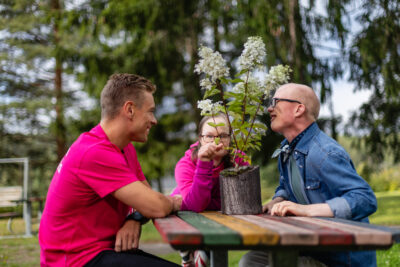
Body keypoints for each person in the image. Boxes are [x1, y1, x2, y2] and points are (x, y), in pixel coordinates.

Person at [39, 73, 182, 267]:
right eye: (150, 111)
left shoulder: (123, 147)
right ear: (129, 109)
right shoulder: (94, 152)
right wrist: (173, 201)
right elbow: (157, 206)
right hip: (76, 260)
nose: (154, 120)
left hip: (101, 253)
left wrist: (135, 218)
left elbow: (147, 200)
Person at [239, 83, 378, 267]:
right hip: (309, 247)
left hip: (340, 259)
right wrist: (277, 201)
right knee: (250, 260)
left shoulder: (324, 153)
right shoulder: (287, 149)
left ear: (299, 109)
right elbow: (287, 187)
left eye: (277, 101)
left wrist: (305, 210)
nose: (270, 108)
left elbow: (365, 199)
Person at [170, 113, 247, 267]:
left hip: (215, 214)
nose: (216, 141)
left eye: (223, 136)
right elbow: (195, 206)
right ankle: (187, 254)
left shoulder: (238, 161)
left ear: (230, 139)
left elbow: (241, 200)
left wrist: (213, 203)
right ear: (200, 139)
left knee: (211, 247)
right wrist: (205, 162)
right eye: (209, 136)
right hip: (187, 214)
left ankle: (194, 254)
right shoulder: (185, 165)